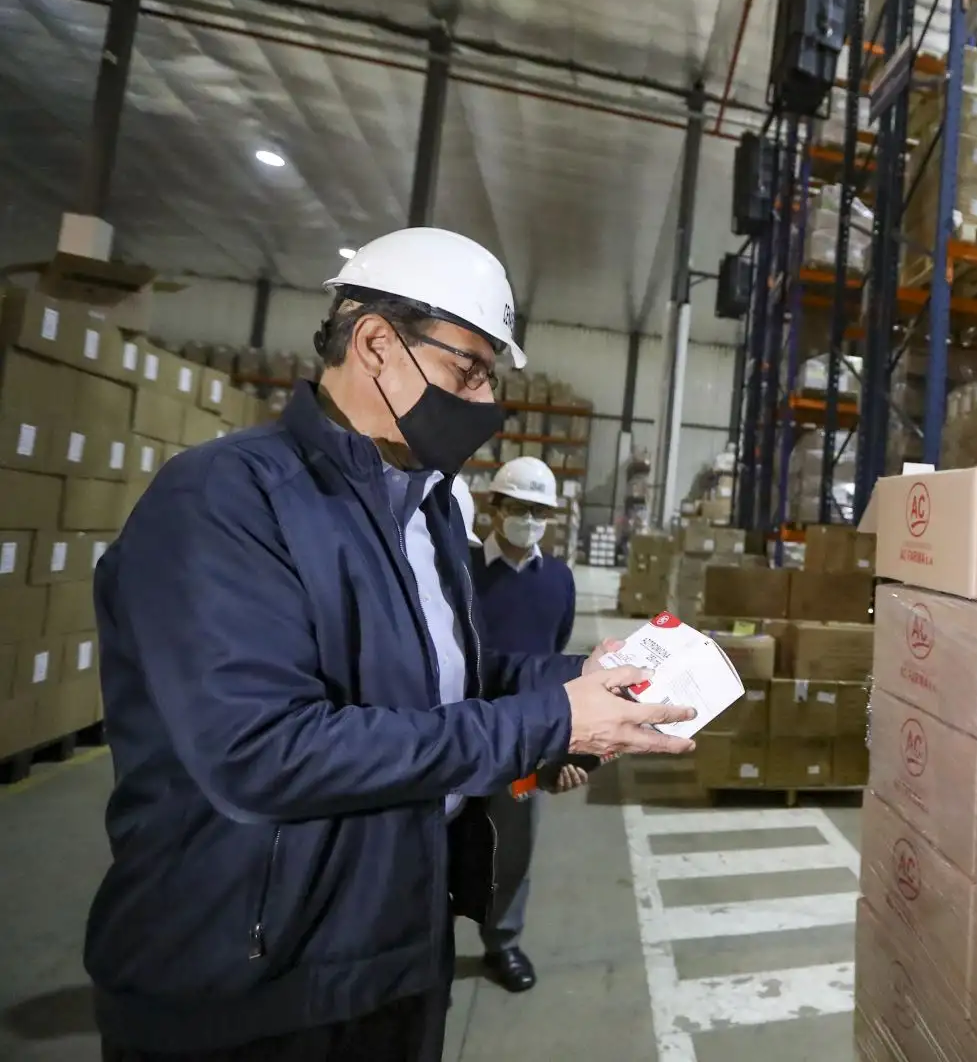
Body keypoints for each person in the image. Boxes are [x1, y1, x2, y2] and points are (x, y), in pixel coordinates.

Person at [85, 227, 696, 1062]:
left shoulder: (428, 508)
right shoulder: (224, 500)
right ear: (376, 343)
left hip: (398, 950)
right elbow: (262, 752)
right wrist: (546, 724)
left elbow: (445, 680)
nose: (484, 402)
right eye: (467, 369)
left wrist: (576, 682)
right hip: (255, 987)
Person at [468, 456, 580, 993]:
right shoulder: (460, 569)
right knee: (434, 838)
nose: (529, 520)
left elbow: (552, 657)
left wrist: (556, 748)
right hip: (456, 725)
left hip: (523, 741)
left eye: (540, 511)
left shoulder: (558, 581)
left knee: (511, 848)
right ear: (494, 507)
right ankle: (421, 945)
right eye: (519, 508)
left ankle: (503, 943)